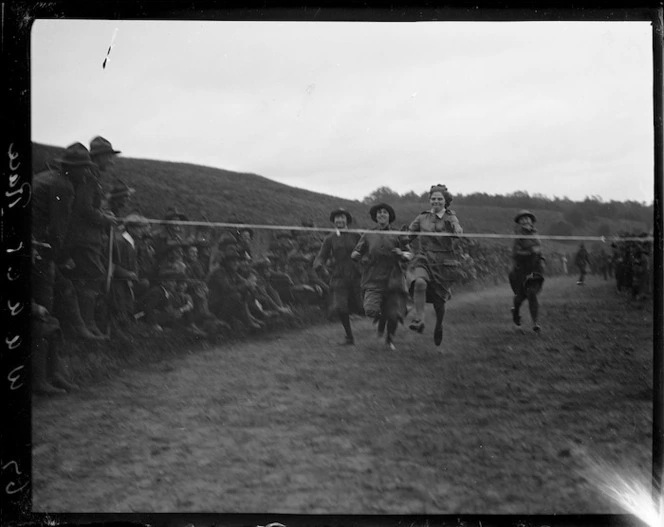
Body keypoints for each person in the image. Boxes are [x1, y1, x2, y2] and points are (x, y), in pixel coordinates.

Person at [32, 142, 104, 341]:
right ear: (71, 168)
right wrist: (58, 258)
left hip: (33, 243)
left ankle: (72, 335)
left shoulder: (44, 177)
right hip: (38, 248)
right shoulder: (63, 186)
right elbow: (57, 229)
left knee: (61, 287)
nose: (87, 172)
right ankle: (52, 344)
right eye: (84, 168)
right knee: (47, 293)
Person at [407, 184, 463, 347]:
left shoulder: (450, 217)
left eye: (439, 199)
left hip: (443, 262)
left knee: (439, 302)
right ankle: (419, 319)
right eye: (433, 199)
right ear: (429, 200)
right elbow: (409, 235)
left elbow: (457, 229)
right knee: (419, 283)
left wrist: (457, 230)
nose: (436, 201)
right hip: (424, 258)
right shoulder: (422, 217)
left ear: (445, 201)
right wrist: (400, 242)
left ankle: (439, 326)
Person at [351, 203, 412, 351]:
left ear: (390, 216)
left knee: (393, 314)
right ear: (375, 217)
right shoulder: (368, 235)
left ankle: (389, 338)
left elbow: (409, 254)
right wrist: (358, 256)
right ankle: (382, 318)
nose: (382, 215)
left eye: (385, 212)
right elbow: (355, 253)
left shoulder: (398, 235)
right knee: (371, 310)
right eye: (379, 213)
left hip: (394, 278)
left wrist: (402, 254)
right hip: (373, 278)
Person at [313, 207, 362, 345]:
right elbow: (321, 256)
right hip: (339, 275)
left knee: (363, 306)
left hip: (356, 273)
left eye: (342, 217)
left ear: (347, 220)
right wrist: (319, 265)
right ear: (333, 221)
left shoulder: (356, 235)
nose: (339, 220)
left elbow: (365, 252)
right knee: (340, 306)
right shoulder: (330, 238)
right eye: (337, 218)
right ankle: (349, 336)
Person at [509, 210, 545, 332]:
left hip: (535, 269)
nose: (525, 220)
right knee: (519, 298)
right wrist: (529, 252)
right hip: (521, 270)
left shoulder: (536, 234)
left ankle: (535, 322)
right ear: (519, 223)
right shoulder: (518, 236)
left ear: (531, 221)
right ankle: (515, 313)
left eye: (527, 218)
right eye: (522, 219)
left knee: (531, 293)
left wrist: (539, 256)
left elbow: (539, 250)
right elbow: (515, 253)